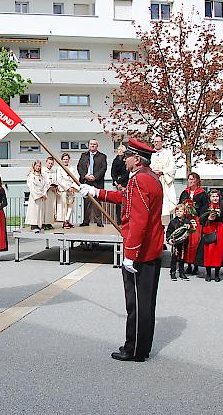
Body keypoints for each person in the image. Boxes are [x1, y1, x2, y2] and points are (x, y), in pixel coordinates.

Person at [79, 139, 163, 362]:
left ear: (136, 159)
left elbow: (138, 221)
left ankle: (133, 349)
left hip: (140, 253)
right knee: (146, 303)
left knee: (135, 304)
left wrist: (130, 255)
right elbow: (125, 198)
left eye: (127, 156)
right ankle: (141, 346)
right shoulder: (150, 178)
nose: (123, 159)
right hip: (151, 251)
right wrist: (96, 192)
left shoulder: (138, 181)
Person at [177, 172, 209, 275]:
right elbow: (180, 205)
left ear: (197, 181)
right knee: (186, 241)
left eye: (192, 179)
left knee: (195, 242)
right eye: (189, 179)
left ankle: (195, 264)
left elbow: (205, 207)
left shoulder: (202, 193)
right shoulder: (184, 192)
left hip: (196, 220)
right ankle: (188, 265)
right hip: (186, 220)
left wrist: (198, 214)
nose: (190, 181)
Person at [195, 189, 223, 282]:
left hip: (220, 231)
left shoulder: (222, 208)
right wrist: (208, 218)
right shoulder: (205, 208)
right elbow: (201, 220)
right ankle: (208, 274)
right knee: (208, 252)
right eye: (213, 196)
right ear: (209, 198)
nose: (215, 198)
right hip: (208, 230)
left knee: (218, 252)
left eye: (217, 196)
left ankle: (217, 274)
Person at [77, 139, 107, 227]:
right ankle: (86, 221)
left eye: (94, 144)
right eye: (91, 144)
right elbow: (79, 167)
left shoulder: (102, 156)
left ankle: (99, 221)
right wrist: (85, 176)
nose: (92, 146)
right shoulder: (84, 155)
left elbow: (103, 168)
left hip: (97, 182)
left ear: (97, 146)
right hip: (86, 182)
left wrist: (95, 177)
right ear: (88, 145)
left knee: (97, 202)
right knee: (86, 202)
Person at [150, 136, 177, 225]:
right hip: (153, 180)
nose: (157, 143)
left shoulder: (168, 153)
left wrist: (163, 172)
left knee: (166, 202)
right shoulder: (150, 153)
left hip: (165, 180)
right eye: (155, 141)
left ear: (162, 142)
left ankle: (166, 224)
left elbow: (172, 167)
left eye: (158, 141)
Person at [166, 204, 191, 281]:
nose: (179, 212)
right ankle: (173, 272)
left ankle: (182, 272)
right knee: (174, 258)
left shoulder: (186, 221)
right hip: (175, 243)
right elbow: (169, 231)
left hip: (183, 242)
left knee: (182, 258)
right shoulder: (173, 222)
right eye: (177, 211)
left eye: (181, 211)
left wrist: (190, 227)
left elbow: (191, 230)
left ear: (184, 212)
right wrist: (169, 239)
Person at [56, 153, 79, 229]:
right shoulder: (59, 168)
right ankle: (64, 222)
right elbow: (59, 179)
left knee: (70, 206)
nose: (65, 161)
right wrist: (67, 187)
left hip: (71, 189)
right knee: (64, 206)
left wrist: (73, 187)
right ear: (62, 160)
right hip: (64, 189)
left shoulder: (72, 168)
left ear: (69, 160)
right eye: (64, 159)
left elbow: (76, 178)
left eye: (67, 159)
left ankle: (67, 221)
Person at [25, 160, 47, 232]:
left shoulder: (42, 175)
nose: (38, 167)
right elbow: (31, 186)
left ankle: (39, 224)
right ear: (34, 166)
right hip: (35, 196)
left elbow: (45, 185)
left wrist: (44, 193)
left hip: (41, 195)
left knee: (40, 210)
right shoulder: (31, 175)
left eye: (39, 166)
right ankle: (33, 225)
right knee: (34, 210)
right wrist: (39, 194)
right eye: (37, 166)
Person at [42, 156, 57, 230]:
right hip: (46, 192)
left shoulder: (54, 172)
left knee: (51, 208)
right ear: (46, 162)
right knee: (45, 208)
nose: (50, 165)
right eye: (49, 163)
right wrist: (48, 186)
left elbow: (56, 180)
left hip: (52, 192)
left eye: (51, 163)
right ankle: (44, 223)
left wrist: (55, 186)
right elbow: (42, 182)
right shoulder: (43, 171)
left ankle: (49, 223)